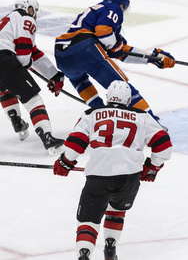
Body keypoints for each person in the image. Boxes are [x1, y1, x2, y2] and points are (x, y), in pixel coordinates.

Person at [53, 80, 173, 260]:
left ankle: (84, 255)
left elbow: (76, 143)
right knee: (116, 210)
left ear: (108, 98)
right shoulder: (142, 116)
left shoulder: (92, 113)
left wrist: (65, 162)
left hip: (99, 175)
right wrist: (152, 167)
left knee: (88, 221)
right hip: (129, 176)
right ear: (128, 100)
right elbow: (164, 146)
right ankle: (110, 248)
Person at [54, 0, 175, 126]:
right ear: (122, 5)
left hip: (61, 53)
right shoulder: (113, 8)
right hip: (84, 49)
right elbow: (104, 34)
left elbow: (120, 51)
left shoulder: (93, 15)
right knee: (122, 87)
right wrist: (116, 46)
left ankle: (99, 114)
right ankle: (152, 124)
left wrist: (151, 58)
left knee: (80, 81)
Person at [0, 0, 65, 154]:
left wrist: (53, 75)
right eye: (34, 10)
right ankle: (48, 138)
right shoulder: (25, 18)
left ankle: (17, 121)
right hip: (4, 59)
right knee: (33, 99)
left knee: (5, 87)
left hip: (4, 61)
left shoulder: (9, 20)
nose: (34, 14)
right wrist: (23, 66)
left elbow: (33, 53)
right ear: (28, 8)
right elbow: (23, 57)